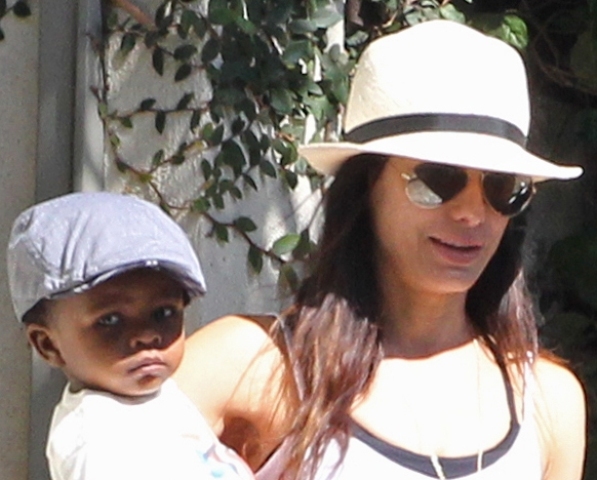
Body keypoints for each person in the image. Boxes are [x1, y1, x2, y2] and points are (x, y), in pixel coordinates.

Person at [174, 20, 587, 480]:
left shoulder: (549, 405)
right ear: (367, 184)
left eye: (502, 188)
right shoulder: (252, 365)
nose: (473, 214)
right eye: (438, 180)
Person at [7, 192, 254, 480]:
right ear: (48, 345)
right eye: (110, 320)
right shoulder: (99, 444)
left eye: (163, 312)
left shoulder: (158, 398)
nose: (147, 336)